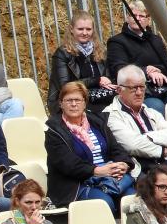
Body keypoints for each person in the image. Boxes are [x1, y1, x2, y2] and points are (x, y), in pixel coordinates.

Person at [45, 81, 135, 211]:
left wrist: (124, 164)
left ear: (85, 103)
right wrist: (97, 171)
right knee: (104, 203)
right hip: (76, 184)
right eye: (69, 100)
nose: (74, 104)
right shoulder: (54, 131)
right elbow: (68, 164)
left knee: (132, 198)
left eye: (78, 100)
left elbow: (116, 149)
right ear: (61, 104)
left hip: (108, 177)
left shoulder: (97, 122)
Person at [106, 0, 167, 114]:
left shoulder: (156, 40)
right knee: (156, 106)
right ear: (127, 18)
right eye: (133, 15)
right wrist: (146, 71)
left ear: (148, 19)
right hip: (137, 91)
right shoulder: (116, 42)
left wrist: (157, 70)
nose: (137, 19)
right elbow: (119, 69)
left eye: (141, 16)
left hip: (164, 88)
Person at [103, 65, 167, 164]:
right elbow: (132, 145)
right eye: (133, 88)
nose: (139, 93)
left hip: (164, 165)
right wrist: (162, 150)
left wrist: (147, 137)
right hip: (138, 168)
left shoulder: (151, 112)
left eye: (142, 87)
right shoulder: (110, 114)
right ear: (119, 90)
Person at [47, 11, 115, 115]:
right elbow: (65, 87)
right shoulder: (62, 53)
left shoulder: (100, 50)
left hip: (99, 98)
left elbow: (108, 77)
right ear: (71, 29)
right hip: (71, 102)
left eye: (88, 29)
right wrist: (96, 81)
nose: (85, 33)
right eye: (80, 29)